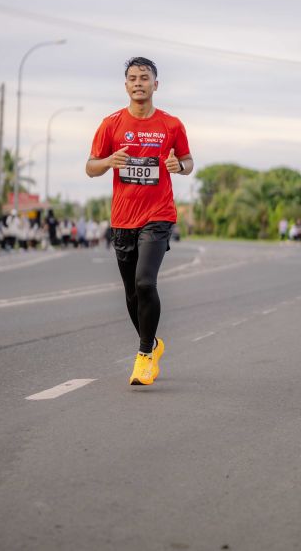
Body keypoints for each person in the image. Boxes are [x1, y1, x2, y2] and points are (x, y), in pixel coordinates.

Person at [86, 56, 193, 386]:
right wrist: (109, 161)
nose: (138, 83)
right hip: (123, 219)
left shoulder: (171, 125)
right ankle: (153, 343)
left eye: (144, 78)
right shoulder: (111, 124)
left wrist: (179, 167)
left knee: (146, 282)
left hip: (158, 215)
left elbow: (188, 161)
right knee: (132, 293)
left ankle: (145, 354)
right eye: (132, 78)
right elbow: (90, 167)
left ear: (155, 84)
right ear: (125, 85)